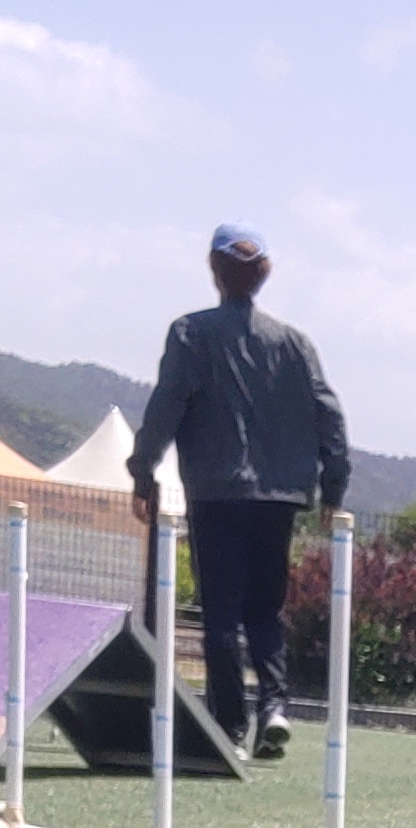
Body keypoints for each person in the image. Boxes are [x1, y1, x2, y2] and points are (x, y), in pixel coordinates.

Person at [131, 222, 348, 756]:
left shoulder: (190, 333)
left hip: (215, 490)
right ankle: (274, 706)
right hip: (280, 498)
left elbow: (168, 404)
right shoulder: (296, 343)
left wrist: (144, 470)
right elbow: (329, 414)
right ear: (263, 275)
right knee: (265, 609)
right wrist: (333, 486)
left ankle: (228, 723)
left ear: (213, 269)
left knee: (222, 611)